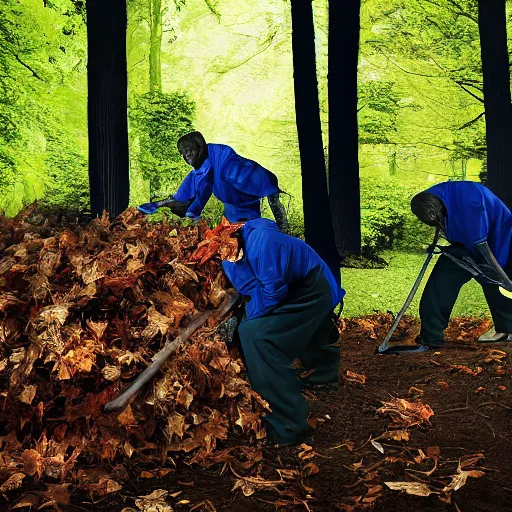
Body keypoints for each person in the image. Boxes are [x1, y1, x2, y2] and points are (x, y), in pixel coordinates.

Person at [221, 218, 345, 445]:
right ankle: (324, 375)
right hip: (293, 287)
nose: (223, 254)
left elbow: (271, 293)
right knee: (253, 328)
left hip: (314, 286)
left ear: (234, 233)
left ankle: (289, 424)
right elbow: (250, 289)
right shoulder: (228, 259)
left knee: (256, 336)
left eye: (225, 246)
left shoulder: (263, 241)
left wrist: (249, 324)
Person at [404, 181, 512, 352]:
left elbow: (480, 245)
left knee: (498, 286)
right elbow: (452, 225)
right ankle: (431, 337)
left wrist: (503, 280)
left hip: (499, 240)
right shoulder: (429, 198)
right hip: (466, 244)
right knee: (440, 283)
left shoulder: (471, 203)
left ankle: (507, 329)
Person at [139, 132, 289, 233]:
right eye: (183, 153)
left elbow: (265, 185)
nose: (186, 155)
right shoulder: (201, 169)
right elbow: (186, 194)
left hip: (249, 214)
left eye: (189, 150)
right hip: (231, 218)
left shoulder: (228, 165)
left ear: (200, 147)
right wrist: (158, 205)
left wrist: (283, 228)